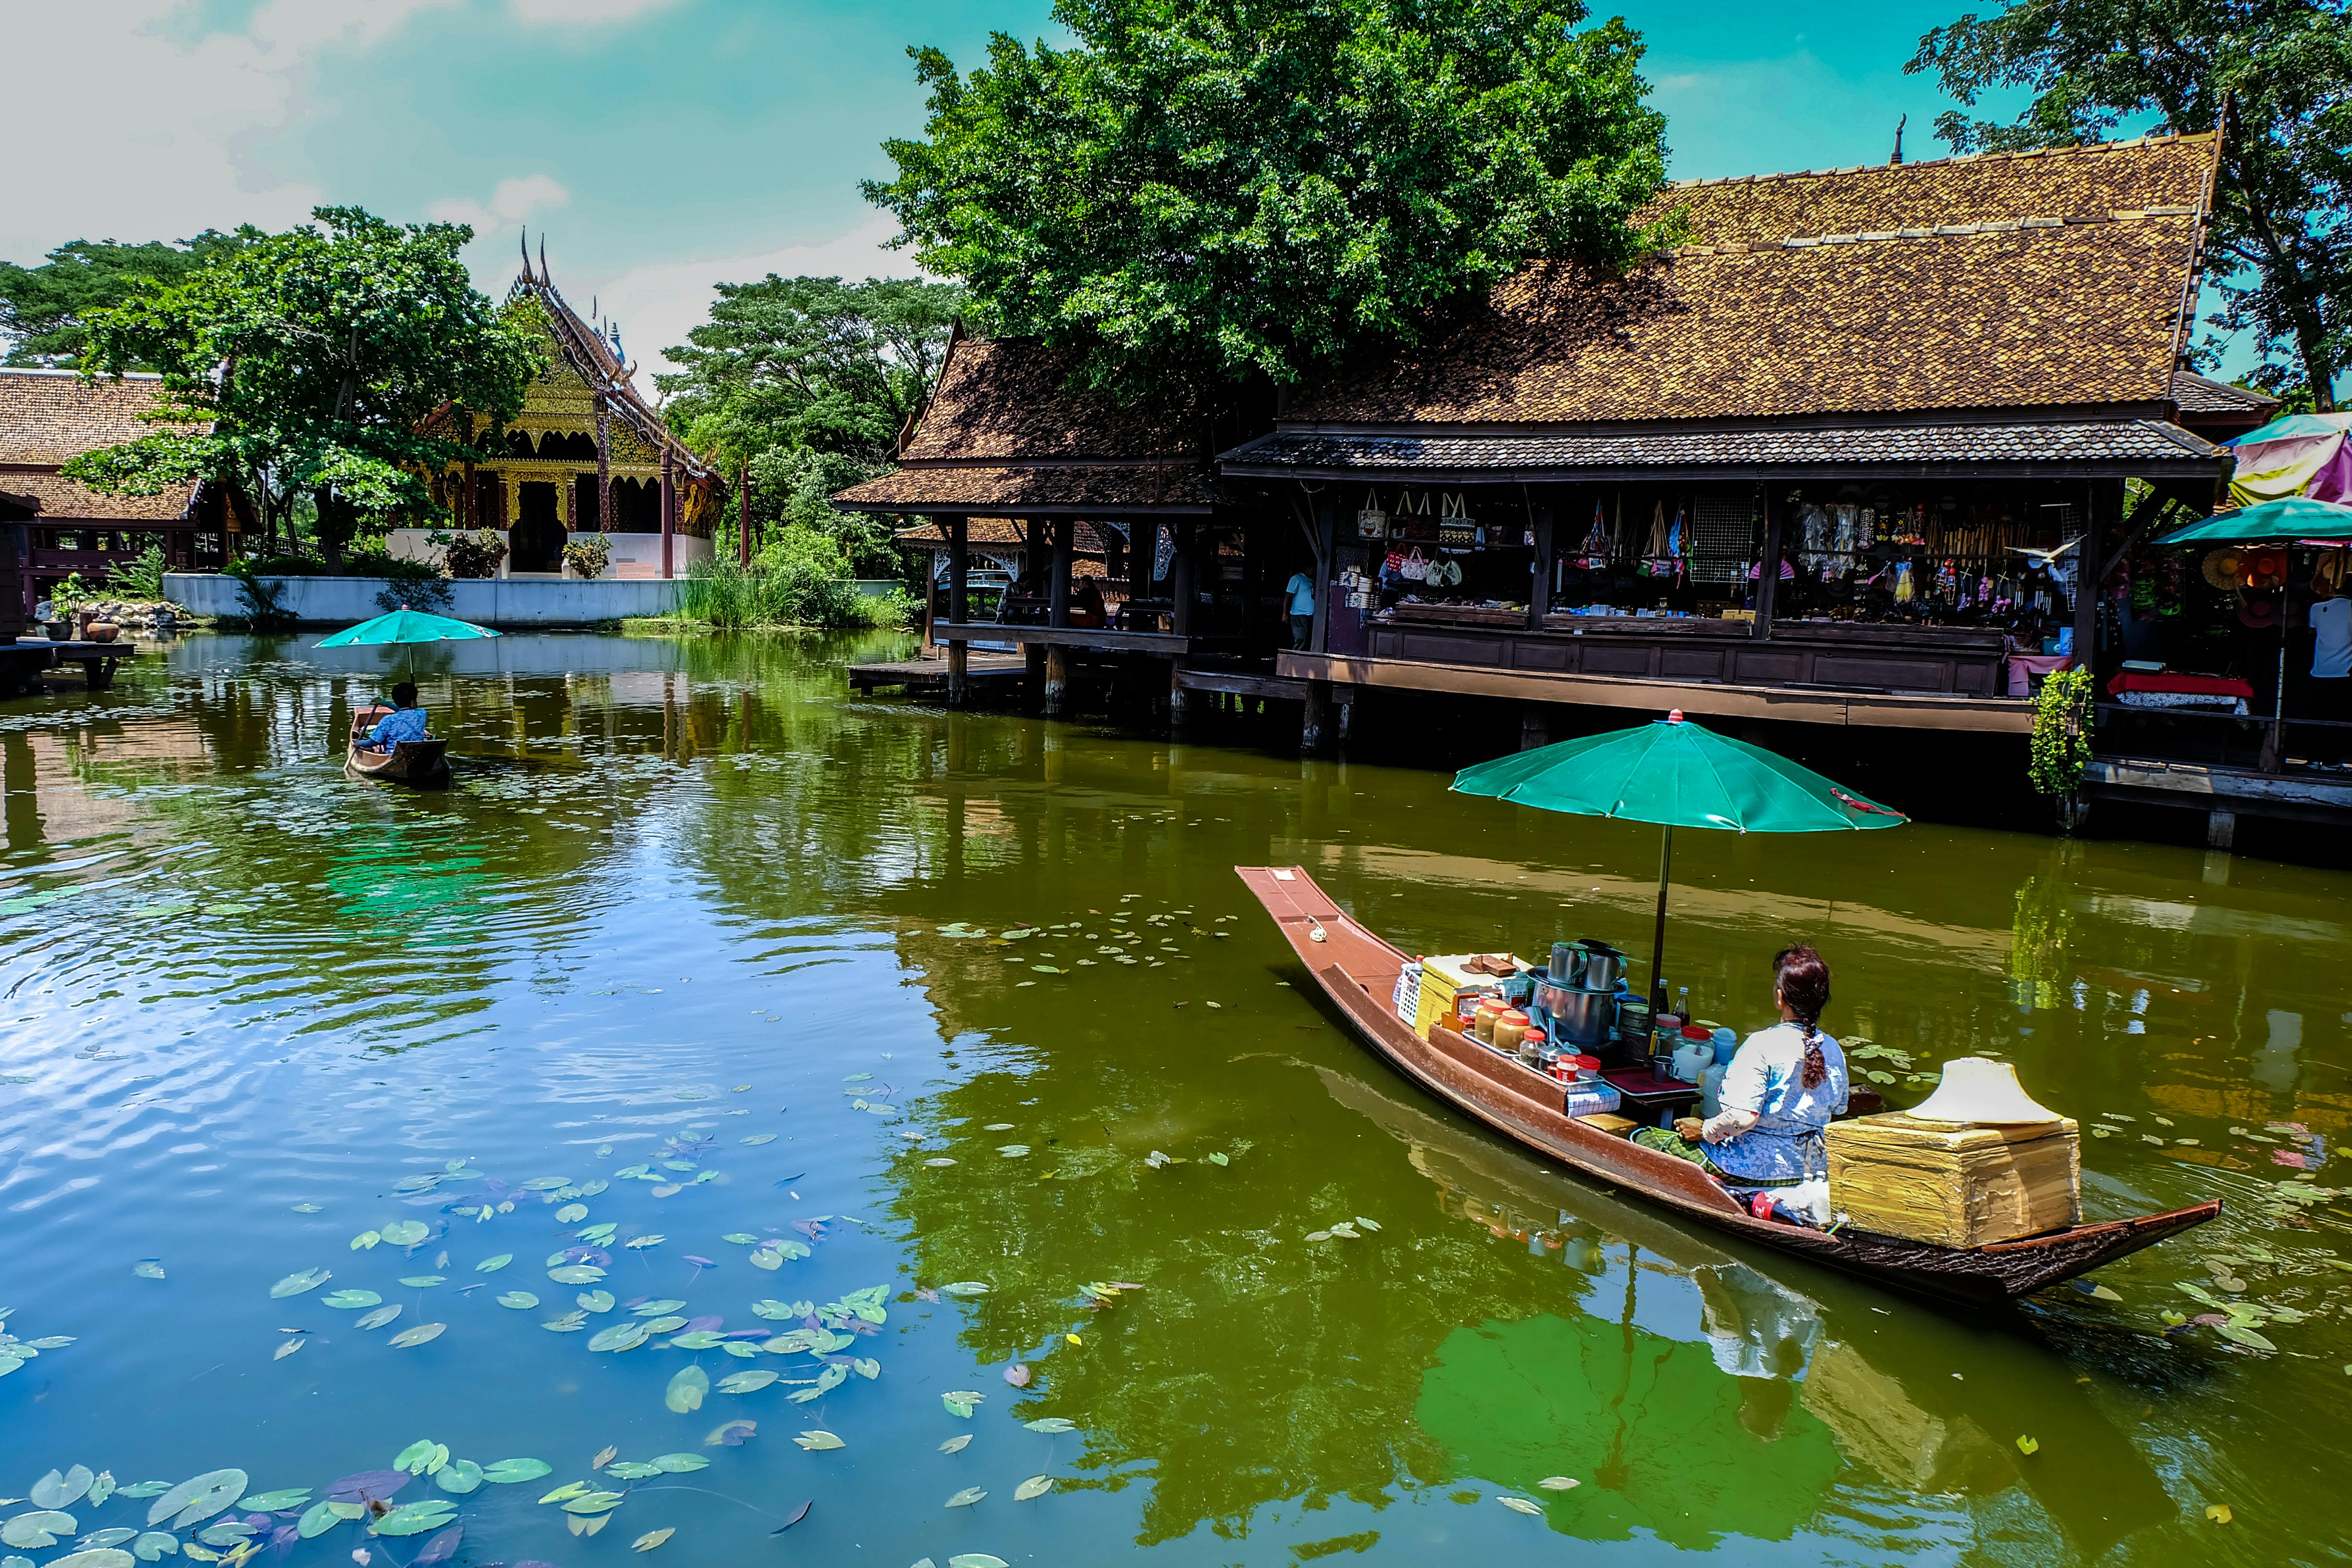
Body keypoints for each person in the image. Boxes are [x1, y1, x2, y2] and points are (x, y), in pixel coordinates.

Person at [1632, 944, 1848, 1193]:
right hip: (1809, 1167)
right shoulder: (1832, 1048)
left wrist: (1703, 1130)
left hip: (1749, 1170)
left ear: (1780, 997)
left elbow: (1744, 1117)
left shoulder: (1762, 1044)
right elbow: (1839, 1106)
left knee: (1645, 1138)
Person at [357, 682, 430, 752]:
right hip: (416, 752)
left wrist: (358, 743)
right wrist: (384, 703)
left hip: (393, 754)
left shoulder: (388, 720)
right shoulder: (422, 714)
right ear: (412, 702)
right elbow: (406, 712)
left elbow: (373, 742)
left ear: (395, 700)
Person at [1285, 567, 1316, 649]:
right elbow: (1288, 597)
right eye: (1310, 568)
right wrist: (1285, 614)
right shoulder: (1297, 578)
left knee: (1309, 640)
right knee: (1301, 638)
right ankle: (1295, 659)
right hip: (1299, 614)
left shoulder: (1312, 581)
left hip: (1310, 616)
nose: (1312, 570)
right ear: (1305, 568)